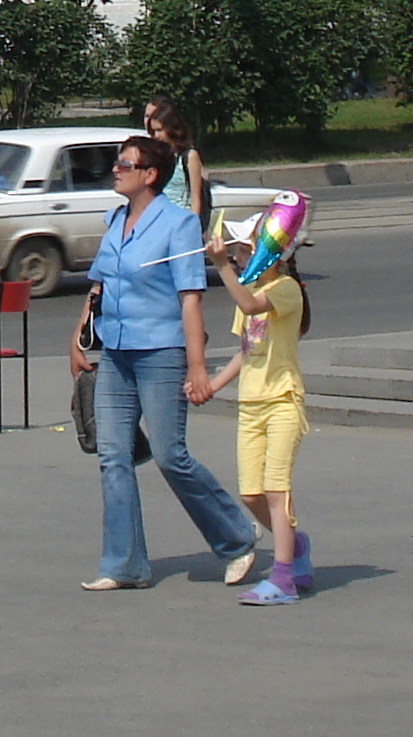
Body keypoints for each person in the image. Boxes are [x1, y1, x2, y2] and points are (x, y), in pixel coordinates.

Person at [65, 135, 259, 592]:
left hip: (161, 352)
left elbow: (189, 299)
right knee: (113, 456)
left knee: (171, 455)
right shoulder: (115, 219)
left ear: (149, 174)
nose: (115, 169)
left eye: (124, 163)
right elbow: (99, 287)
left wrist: (197, 367)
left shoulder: (178, 225)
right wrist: (77, 339)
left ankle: (236, 537)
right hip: (114, 352)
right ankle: (124, 564)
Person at [209, 214, 315, 604]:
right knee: (250, 493)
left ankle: (283, 577)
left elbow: (252, 306)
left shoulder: (286, 289)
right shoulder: (248, 288)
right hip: (250, 405)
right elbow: (246, 350)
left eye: (245, 250)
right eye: (236, 251)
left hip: (282, 401)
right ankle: (295, 545)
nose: (238, 256)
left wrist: (220, 267)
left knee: (275, 490)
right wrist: (213, 384)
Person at [143, 97, 207, 218]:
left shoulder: (188, 155)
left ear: (171, 128)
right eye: (153, 131)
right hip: (159, 219)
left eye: (159, 130)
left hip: (181, 218)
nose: (156, 135)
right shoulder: (156, 155)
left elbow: (196, 199)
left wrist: (192, 226)